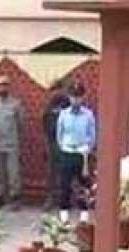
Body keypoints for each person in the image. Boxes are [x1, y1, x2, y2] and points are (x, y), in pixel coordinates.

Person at [56, 82, 96, 222]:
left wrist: (86, 149)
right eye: (73, 96)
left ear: (83, 97)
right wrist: (65, 147)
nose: (75, 100)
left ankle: (84, 213)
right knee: (65, 184)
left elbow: (92, 135)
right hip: (67, 151)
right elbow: (59, 135)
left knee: (84, 184)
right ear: (69, 97)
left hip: (82, 152)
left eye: (78, 97)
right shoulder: (63, 114)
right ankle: (64, 212)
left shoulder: (88, 115)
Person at [0, 74, 24, 210]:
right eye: (0, 85)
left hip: (11, 143)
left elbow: (21, 122)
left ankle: (15, 198)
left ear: (9, 87)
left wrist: (16, 138)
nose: (2, 87)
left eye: (5, 85)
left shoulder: (16, 104)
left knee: (13, 172)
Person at [42, 79, 70, 209]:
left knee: (66, 171)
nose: (56, 93)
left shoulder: (67, 104)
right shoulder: (49, 106)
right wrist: (46, 143)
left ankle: (64, 199)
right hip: (52, 143)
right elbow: (45, 124)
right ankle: (51, 198)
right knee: (51, 172)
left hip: (66, 143)